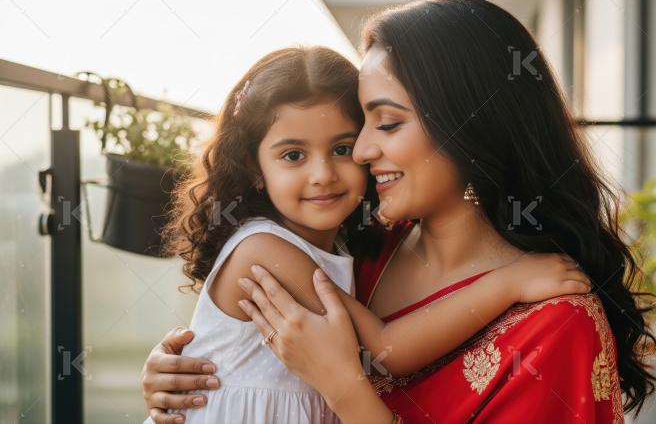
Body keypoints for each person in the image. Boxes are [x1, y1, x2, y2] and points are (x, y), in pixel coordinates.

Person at [143, 45, 592, 424]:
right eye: (294, 155)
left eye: (342, 148)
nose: (323, 174)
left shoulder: (349, 244)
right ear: (254, 171)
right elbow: (387, 349)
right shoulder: (267, 249)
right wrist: (509, 282)